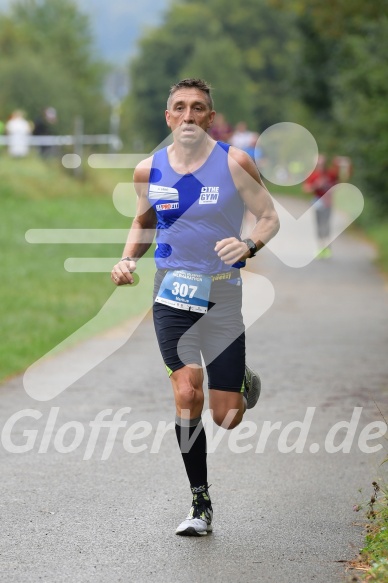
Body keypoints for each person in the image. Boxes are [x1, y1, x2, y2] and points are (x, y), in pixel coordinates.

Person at [111, 78, 280, 536]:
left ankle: (242, 379)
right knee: (187, 392)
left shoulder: (235, 162)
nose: (188, 116)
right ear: (168, 117)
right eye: (180, 108)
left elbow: (269, 217)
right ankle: (199, 501)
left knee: (226, 416)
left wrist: (248, 245)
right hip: (171, 296)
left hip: (222, 294)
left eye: (198, 108)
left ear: (211, 117)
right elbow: (143, 221)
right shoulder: (149, 170)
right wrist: (128, 258)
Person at [303, 154, 338, 258]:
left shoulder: (330, 174)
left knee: (326, 224)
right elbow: (306, 189)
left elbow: (338, 184)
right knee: (319, 224)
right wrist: (316, 185)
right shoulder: (312, 175)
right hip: (317, 201)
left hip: (328, 201)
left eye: (322, 162)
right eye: (318, 163)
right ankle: (320, 247)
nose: (320, 165)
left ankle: (327, 247)